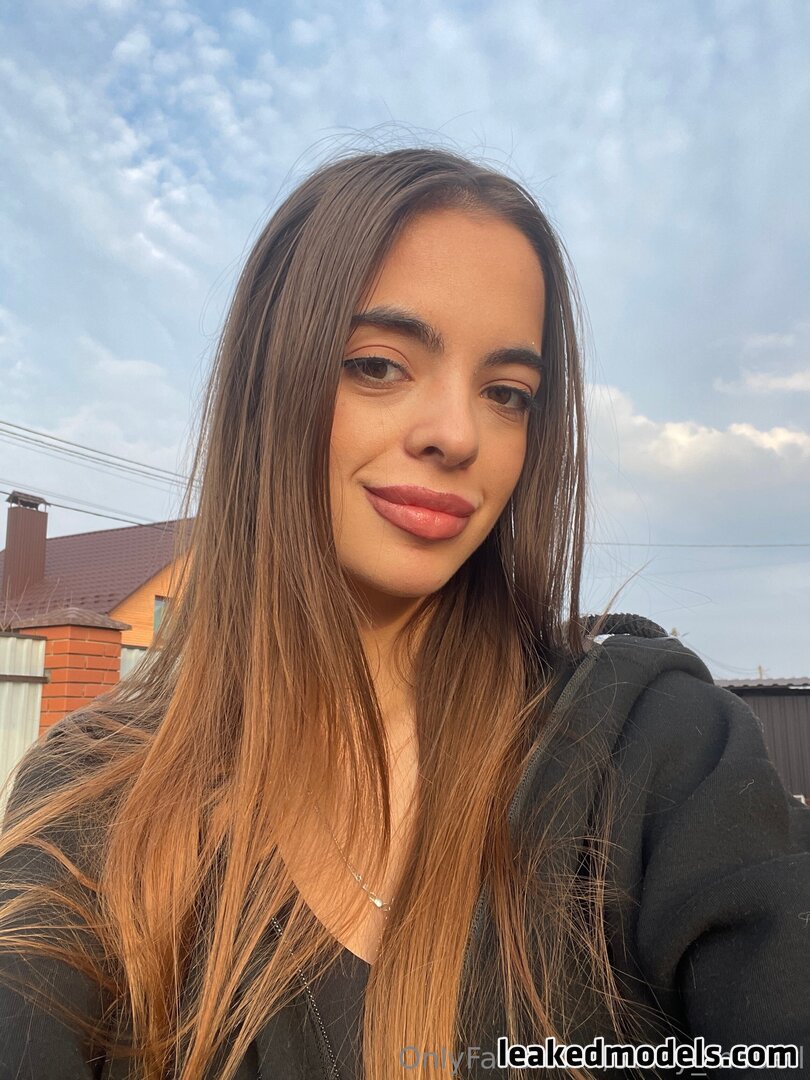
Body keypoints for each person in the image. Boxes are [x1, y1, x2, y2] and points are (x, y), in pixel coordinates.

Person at [0, 145, 808, 1080]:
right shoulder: (97, 802)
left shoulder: (652, 747)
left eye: (507, 394)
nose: (458, 435)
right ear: (269, 385)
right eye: (380, 366)